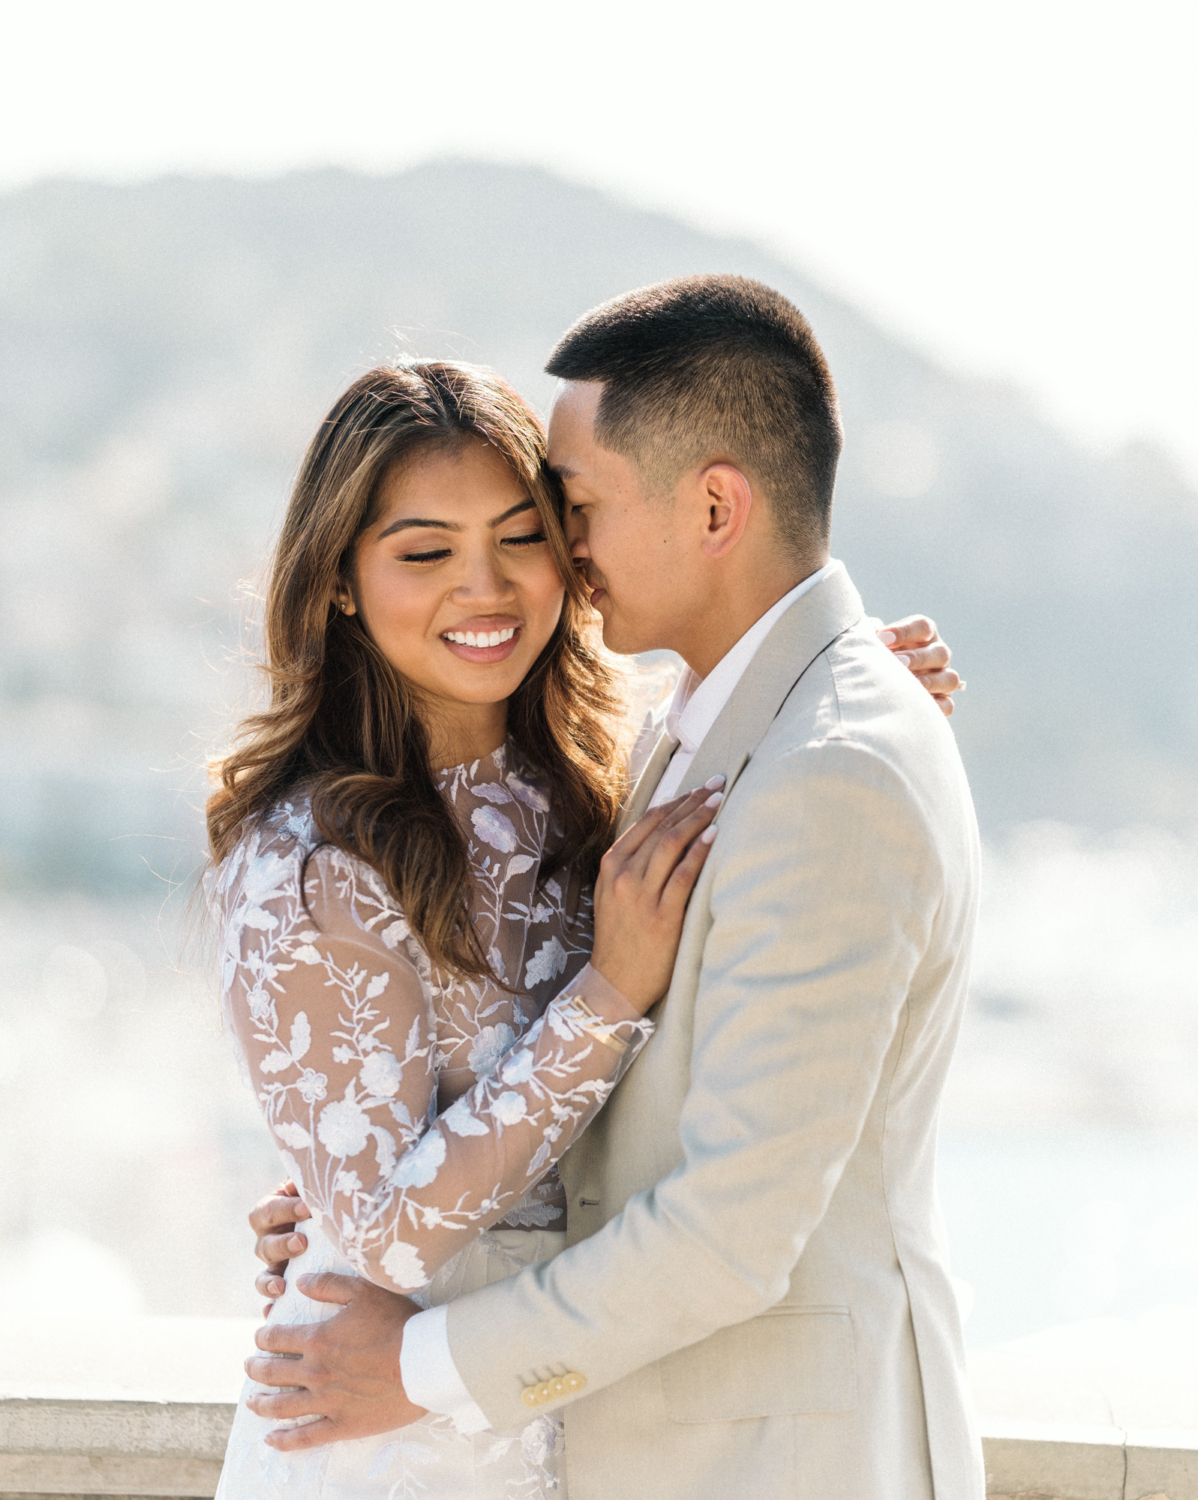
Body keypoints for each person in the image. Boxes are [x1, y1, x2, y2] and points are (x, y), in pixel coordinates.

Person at [220, 284, 969, 1498]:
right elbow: (383, 1222)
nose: (499, 582)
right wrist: (341, 1188)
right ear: (341, 580)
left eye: (532, 528)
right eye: (425, 553)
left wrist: (835, 692)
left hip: (565, 1408)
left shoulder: (610, 777)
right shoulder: (300, 861)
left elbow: (699, 1180)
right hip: (401, 1427)